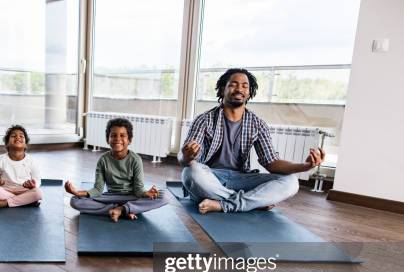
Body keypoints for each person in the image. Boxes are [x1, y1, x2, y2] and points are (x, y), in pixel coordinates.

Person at [179, 68, 325, 214]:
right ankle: (252, 202)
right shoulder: (204, 119)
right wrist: (187, 156)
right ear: (223, 89)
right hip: (211, 177)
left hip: (242, 178)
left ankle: (224, 204)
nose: (239, 89)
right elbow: (183, 159)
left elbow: (272, 163)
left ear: (249, 92)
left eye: (244, 86)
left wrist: (305, 166)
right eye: (233, 84)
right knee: (189, 172)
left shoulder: (258, 124)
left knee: (291, 182)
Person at [65, 117, 167, 222]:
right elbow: (98, 190)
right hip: (110, 197)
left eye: (122, 135)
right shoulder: (103, 160)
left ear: (130, 140)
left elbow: (138, 190)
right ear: (107, 139)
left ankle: (121, 209)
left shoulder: (136, 159)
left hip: (131, 197)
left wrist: (146, 194)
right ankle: (121, 210)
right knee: (75, 201)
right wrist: (77, 192)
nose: (117, 139)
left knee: (165, 196)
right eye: (113, 135)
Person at [0, 125, 43, 210]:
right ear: (7, 144)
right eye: (13, 136)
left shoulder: (32, 161)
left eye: (21, 136)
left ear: (25, 145)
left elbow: (37, 180)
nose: (17, 137)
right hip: (6, 191)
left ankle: (5, 203)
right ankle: (26, 202)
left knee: (38, 193)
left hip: (25, 191)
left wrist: (33, 186)